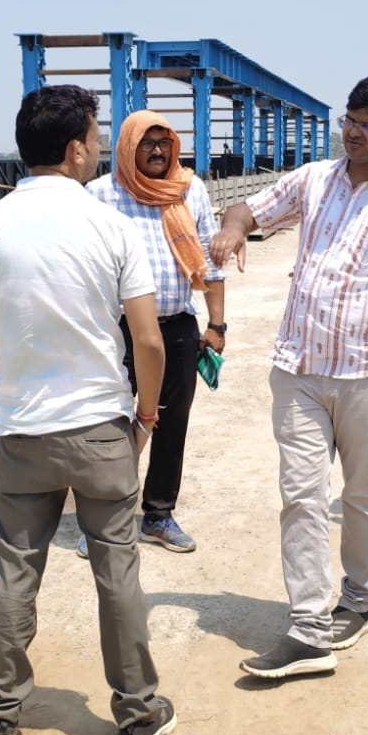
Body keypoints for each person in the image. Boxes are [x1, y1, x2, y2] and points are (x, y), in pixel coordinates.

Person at [0, 85, 175, 735]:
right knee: (118, 573)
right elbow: (149, 342)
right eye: (97, 139)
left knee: (16, 573)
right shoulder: (111, 226)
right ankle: (138, 715)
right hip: (100, 427)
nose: (100, 150)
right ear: (76, 149)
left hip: (22, 431)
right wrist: (145, 416)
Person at [209, 75, 368, 679]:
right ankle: (309, 628)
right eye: (349, 119)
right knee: (302, 495)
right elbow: (250, 208)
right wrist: (233, 228)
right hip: (300, 370)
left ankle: (357, 601)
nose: (354, 132)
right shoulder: (314, 180)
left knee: (362, 496)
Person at [85, 111, 226, 554]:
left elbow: (210, 259)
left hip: (177, 327)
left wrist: (216, 324)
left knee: (171, 421)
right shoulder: (101, 194)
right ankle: (103, 519)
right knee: (109, 422)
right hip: (116, 330)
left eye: (165, 143)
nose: (158, 151)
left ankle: (158, 514)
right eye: (147, 143)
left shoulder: (188, 189)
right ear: (128, 147)